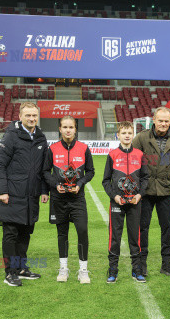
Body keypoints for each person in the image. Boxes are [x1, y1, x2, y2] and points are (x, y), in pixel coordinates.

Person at [0, 102, 49, 287]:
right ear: (20, 117)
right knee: (11, 234)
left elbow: (43, 169)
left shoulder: (41, 138)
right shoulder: (10, 136)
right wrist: (2, 191)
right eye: (28, 116)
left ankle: (21, 268)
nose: (32, 118)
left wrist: (43, 191)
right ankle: (10, 273)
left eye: (34, 115)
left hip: (31, 196)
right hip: (11, 195)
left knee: (25, 233)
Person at [42, 116, 95, 283]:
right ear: (59, 128)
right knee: (62, 234)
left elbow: (91, 171)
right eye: (64, 127)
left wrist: (80, 183)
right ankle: (63, 269)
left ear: (75, 129)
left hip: (77, 198)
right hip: (58, 198)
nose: (68, 130)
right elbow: (45, 172)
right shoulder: (52, 149)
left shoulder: (84, 148)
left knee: (82, 231)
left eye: (71, 127)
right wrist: (55, 184)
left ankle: (83, 270)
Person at [132, 107, 170, 277]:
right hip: (144, 191)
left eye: (166, 121)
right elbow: (132, 162)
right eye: (160, 120)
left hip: (166, 190)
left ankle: (166, 264)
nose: (163, 124)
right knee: (143, 228)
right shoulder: (141, 137)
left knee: (167, 228)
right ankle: (141, 263)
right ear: (154, 119)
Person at [102, 121, 149, 283]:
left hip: (135, 202)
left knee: (134, 236)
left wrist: (139, 195)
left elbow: (145, 178)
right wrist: (114, 196)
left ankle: (137, 269)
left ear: (133, 135)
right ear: (118, 135)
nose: (127, 135)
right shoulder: (112, 154)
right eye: (124, 133)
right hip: (117, 202)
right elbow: (105, 181)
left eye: (130, 133)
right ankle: (113, 269)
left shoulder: (140, 154)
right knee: (114, 237)